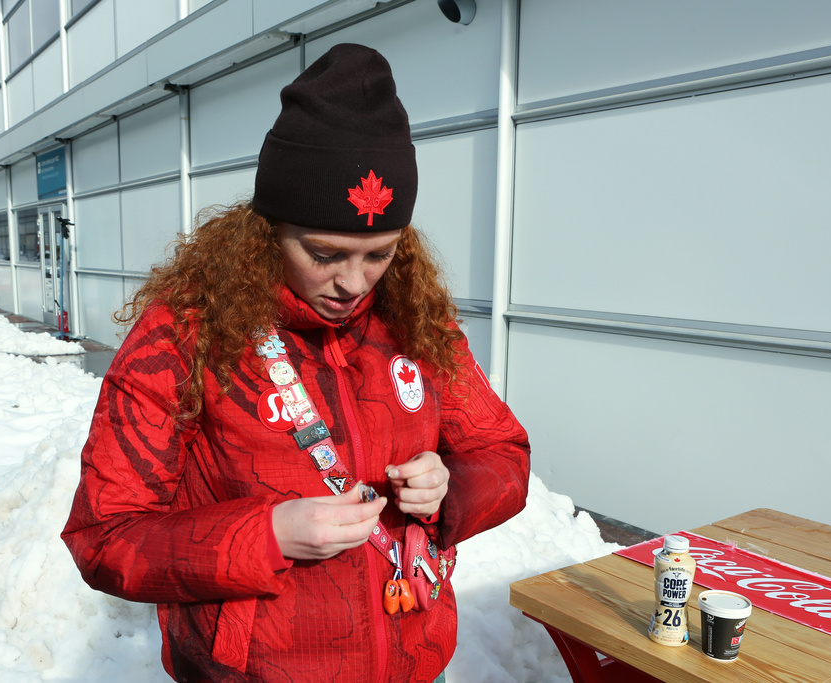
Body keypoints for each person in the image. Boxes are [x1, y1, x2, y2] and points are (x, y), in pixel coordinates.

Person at [62, 43, 530, 683]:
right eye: (325, 252)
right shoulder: (184, 336)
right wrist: (268, 534)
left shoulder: (416, 318)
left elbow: (505, 455)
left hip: (414, 664)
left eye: (380, 253)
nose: (355, 282)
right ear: (268, 230)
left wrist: (452, 486)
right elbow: (105, 536)